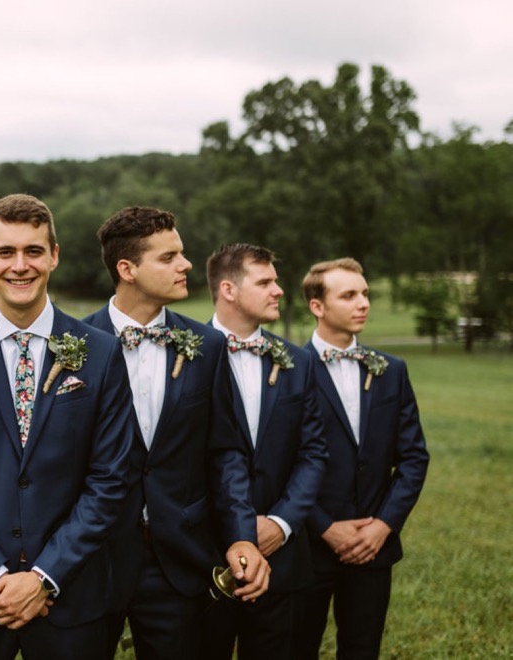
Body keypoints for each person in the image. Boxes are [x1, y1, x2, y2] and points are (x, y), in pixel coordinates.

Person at [0, 193, 135, 660]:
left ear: (54, 255)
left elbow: (111, 479)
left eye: (33, 251)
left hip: (70, 598)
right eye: (6, 252)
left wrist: (44, 577)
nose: (20, 265)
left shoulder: (101, 352)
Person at [81, 207, 270, 660]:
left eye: (182, 254)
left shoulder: (207, 346)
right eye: (169, 258)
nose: (186, 265)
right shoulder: (76, 344)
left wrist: (241, 535)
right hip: (92, 557)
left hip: (180, 558)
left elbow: (226, 452)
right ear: (127, 269)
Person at [294, 257, 430, 659]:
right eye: (349, 295)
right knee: (296, 647)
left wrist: (383, 525)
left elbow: (413, 459)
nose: (363, 303)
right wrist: (324, 527)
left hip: (374, 546)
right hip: (308, 545)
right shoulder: (288, 370)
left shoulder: (392, 370)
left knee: (362, 648)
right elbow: (279, 462)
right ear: (317, 306)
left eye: (366, 293)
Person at [201, 243, 328, 660]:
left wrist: (281, 522)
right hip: (205, 551)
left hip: (283, 554)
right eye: (266, 282)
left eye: (276, 281)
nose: (279, 290)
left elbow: (313, 453)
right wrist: (233, 530)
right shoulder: (187, 353)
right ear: (229, 290)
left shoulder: (298, 361)